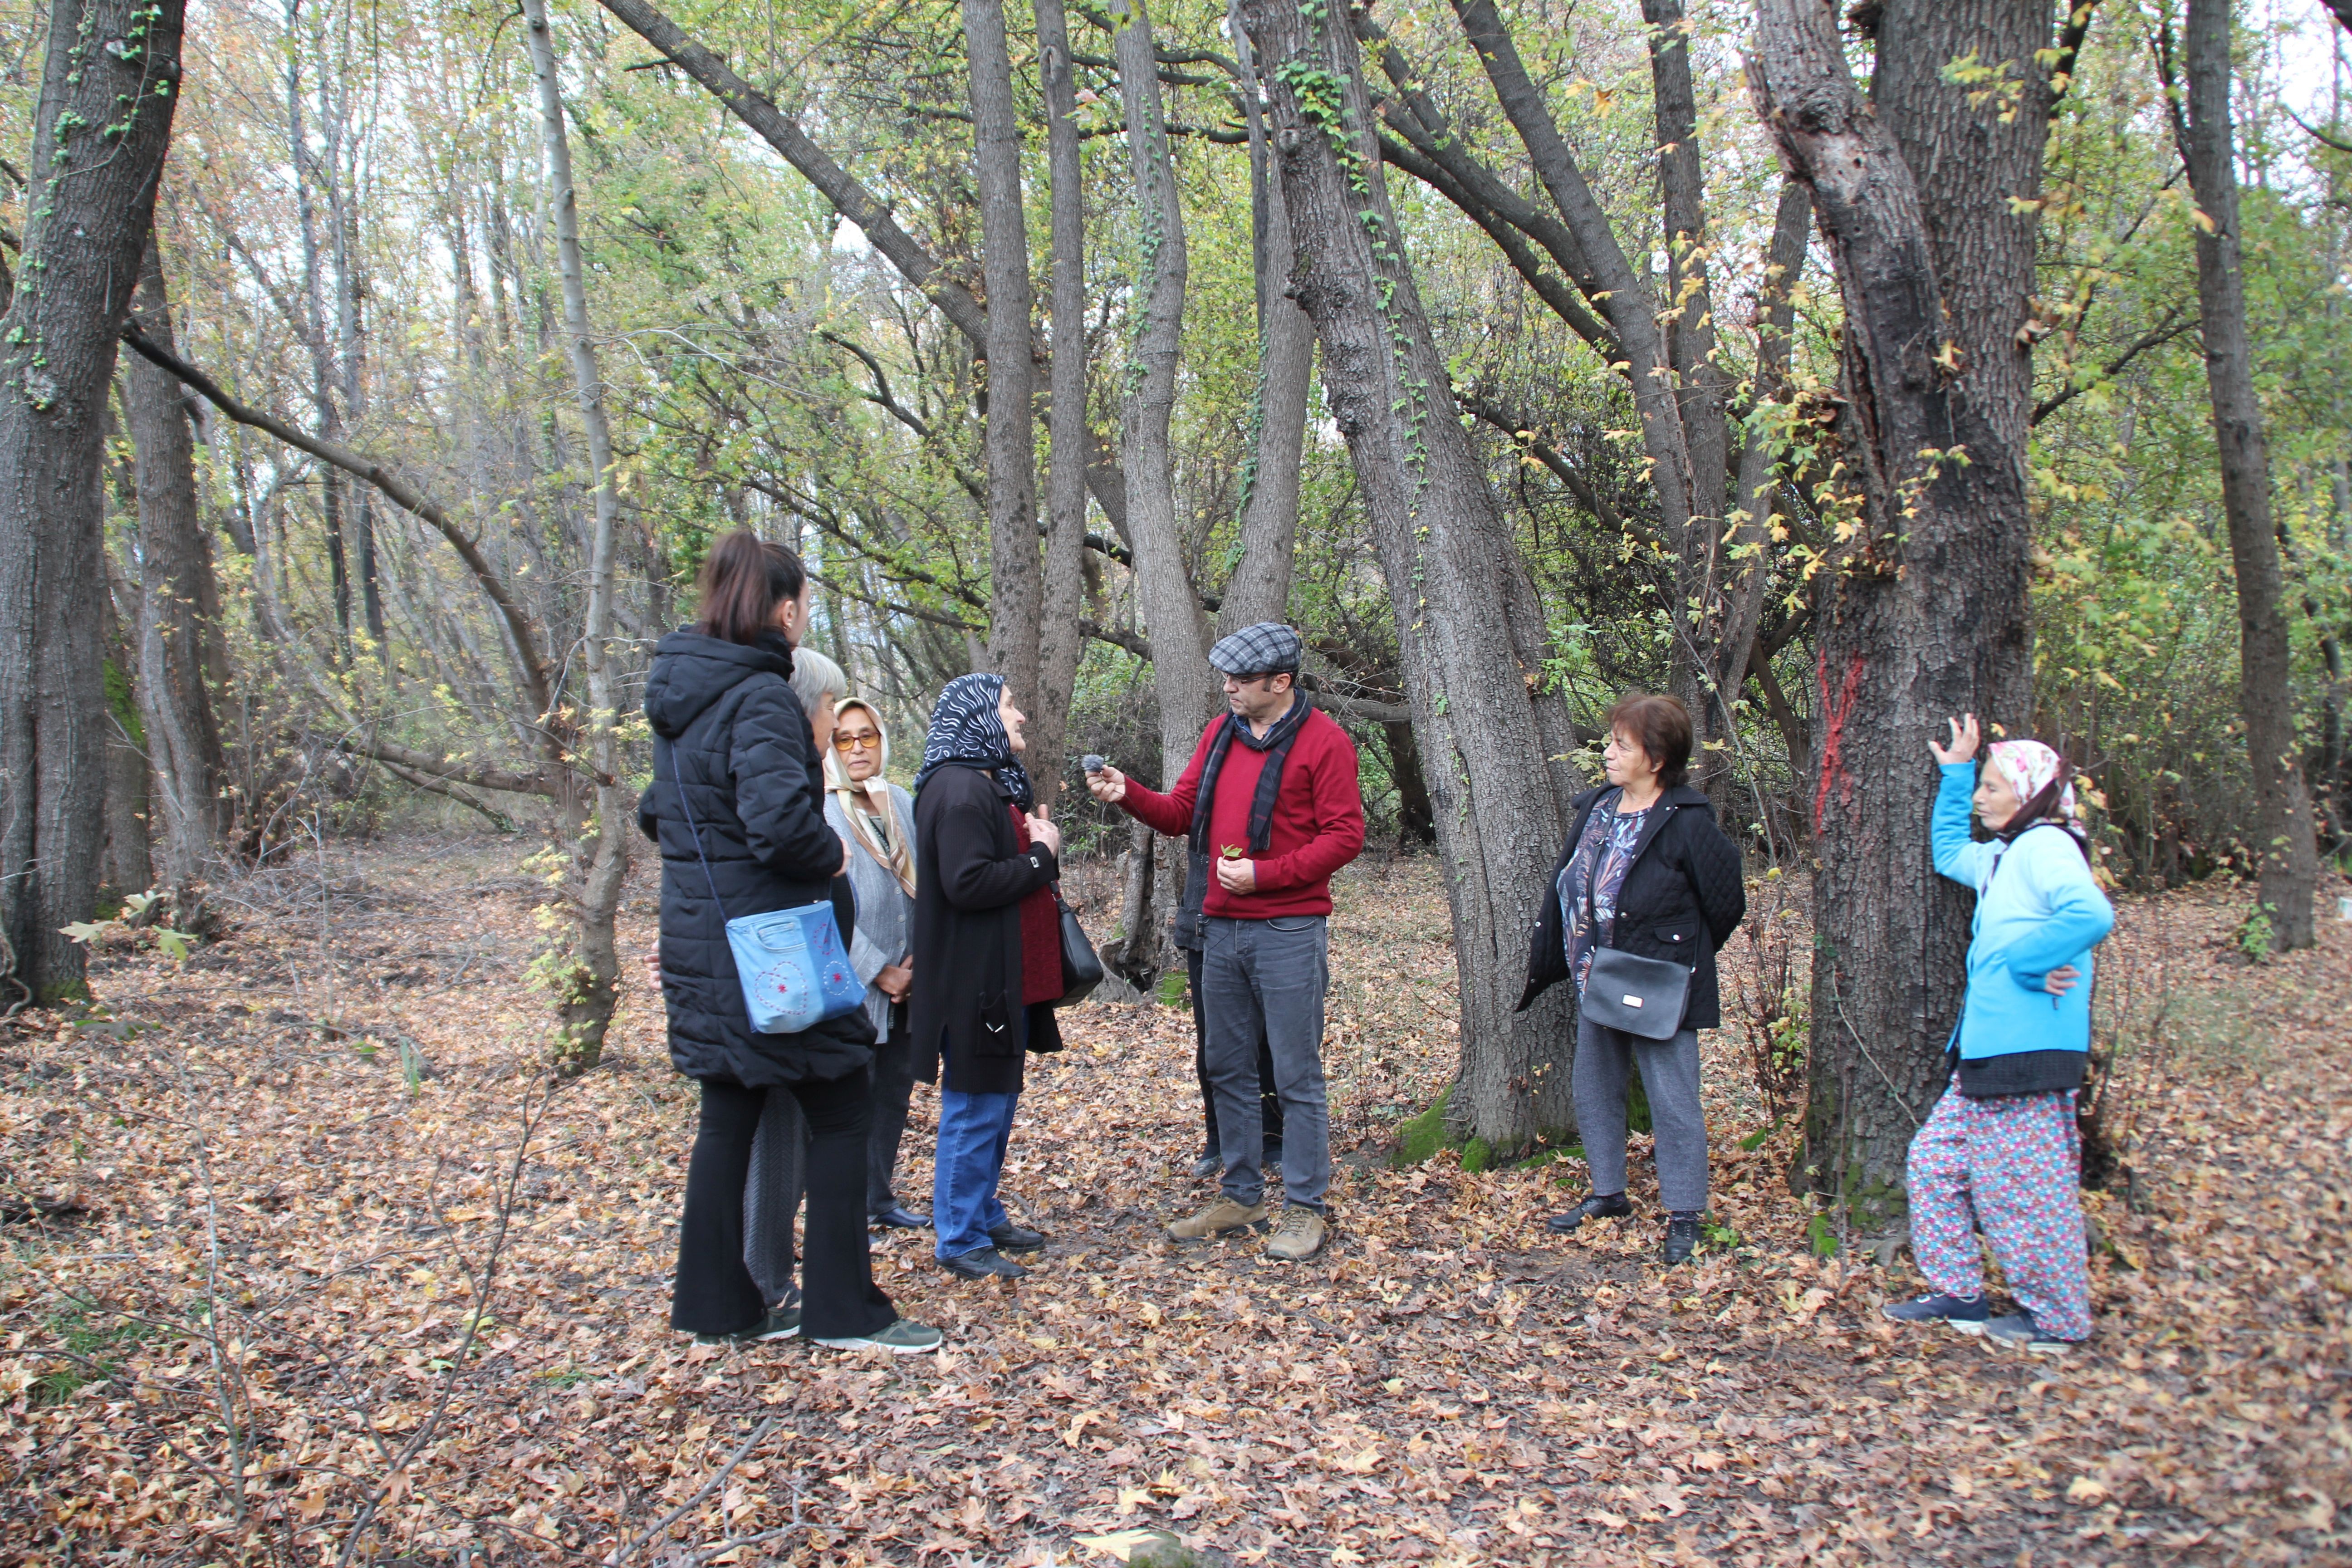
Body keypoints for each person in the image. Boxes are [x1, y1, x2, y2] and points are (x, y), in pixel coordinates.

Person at [638, 530, 940, 1354]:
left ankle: (718, 1307)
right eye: (800, 603)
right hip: (776, 952)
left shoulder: (680, 699)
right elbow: (778, 825)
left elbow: (656, 813)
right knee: (842, 1109)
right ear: (781, 608)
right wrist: (828, 850)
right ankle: (845, 1312)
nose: (801, 617)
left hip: (705, 946)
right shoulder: (760, 695)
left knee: (726, 1117)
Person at [1087, 622, 1366, 1262]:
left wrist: (1266, 875)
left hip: (1289, 930)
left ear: (1282, 683)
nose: (1229, 687)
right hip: (1218, 929)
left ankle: (1305, 1208)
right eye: (1227, 677)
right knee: (1228, 1068)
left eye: (1242, 679)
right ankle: (1241, 1196)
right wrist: (1127, 792)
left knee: (1296, 1074)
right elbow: (1182, 812)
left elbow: (1345, 836)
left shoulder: (1326, 743)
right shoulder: (1221, 735)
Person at [1883, 714, 2113, 1355]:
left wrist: (2032, 962)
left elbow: (2092, 912)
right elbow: (1948, 853)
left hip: (2030, 1055)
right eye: (1982, 786)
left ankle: (2058, 1321)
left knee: (2029, 1195)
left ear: (2030, 790)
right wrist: (1956, 776)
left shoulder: (2046, 846)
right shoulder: (2005, 855)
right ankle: (1959, 1293)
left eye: (1991, 785)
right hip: (1985, 1057)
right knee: (1934, 1165)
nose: (1984, 797)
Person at [1518, 693, 1744, 1265]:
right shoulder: (1597, 808)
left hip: (1659, 983)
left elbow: (1726, 903)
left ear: (1658, 758)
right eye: (1610, 742)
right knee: (1595, 1085)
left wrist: (1675, 957)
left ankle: (1688, 1213)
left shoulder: (1687, 820)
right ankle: (1608, 1193)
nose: (1609, 753)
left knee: (1673, 1098)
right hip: (1596, 977)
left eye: (1622, 745)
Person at [909, 673, 1063, 1280]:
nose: (1020, 715)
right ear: (977, 717)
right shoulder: (959, 792)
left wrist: (1033, 844)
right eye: (1007, 706)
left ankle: (982, 1213)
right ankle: (960, 1236)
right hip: (974, 982)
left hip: (998, 976)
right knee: (975, 1106)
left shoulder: (981, 786)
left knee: (996, 1102)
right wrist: (1040, 855)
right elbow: (968, 884)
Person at [823, 695, 929, 1230]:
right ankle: (843, 1209)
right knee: (852, 1098)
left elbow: (926, 881)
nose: (858, 747)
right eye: (845, 738)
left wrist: (914, 961)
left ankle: (879, 1199)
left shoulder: (902, 802)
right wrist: (877, 969)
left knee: (894, 1093)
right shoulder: (821, 810)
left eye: (867, 735)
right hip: (853, 982)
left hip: (910, 979)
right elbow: (821, 905)